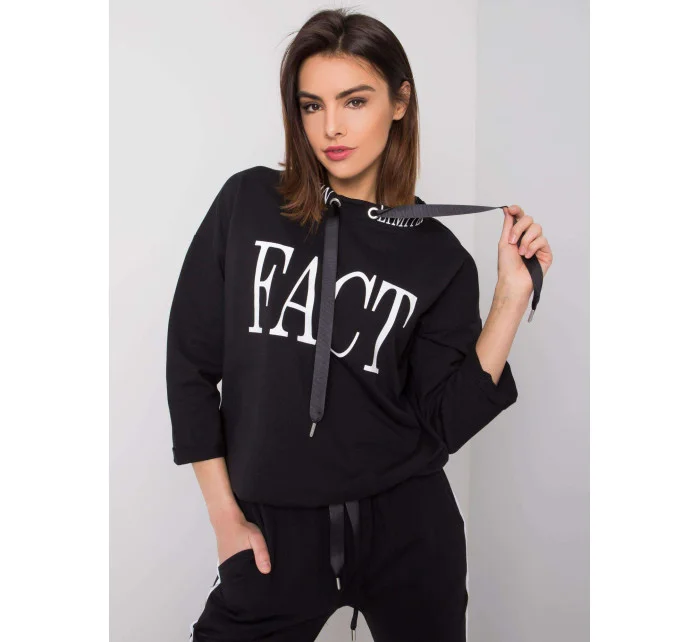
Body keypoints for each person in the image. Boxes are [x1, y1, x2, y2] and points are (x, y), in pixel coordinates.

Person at [165, 8, 553, 642]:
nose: (332, 128)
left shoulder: (439, 259)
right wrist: (224, 519)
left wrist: (511, 297)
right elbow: (190, 365)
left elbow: (444, 421)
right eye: (312, 105)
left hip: (408, 529)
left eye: (355, 100)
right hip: (274, 533)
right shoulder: (248, 204)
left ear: (400, 102)